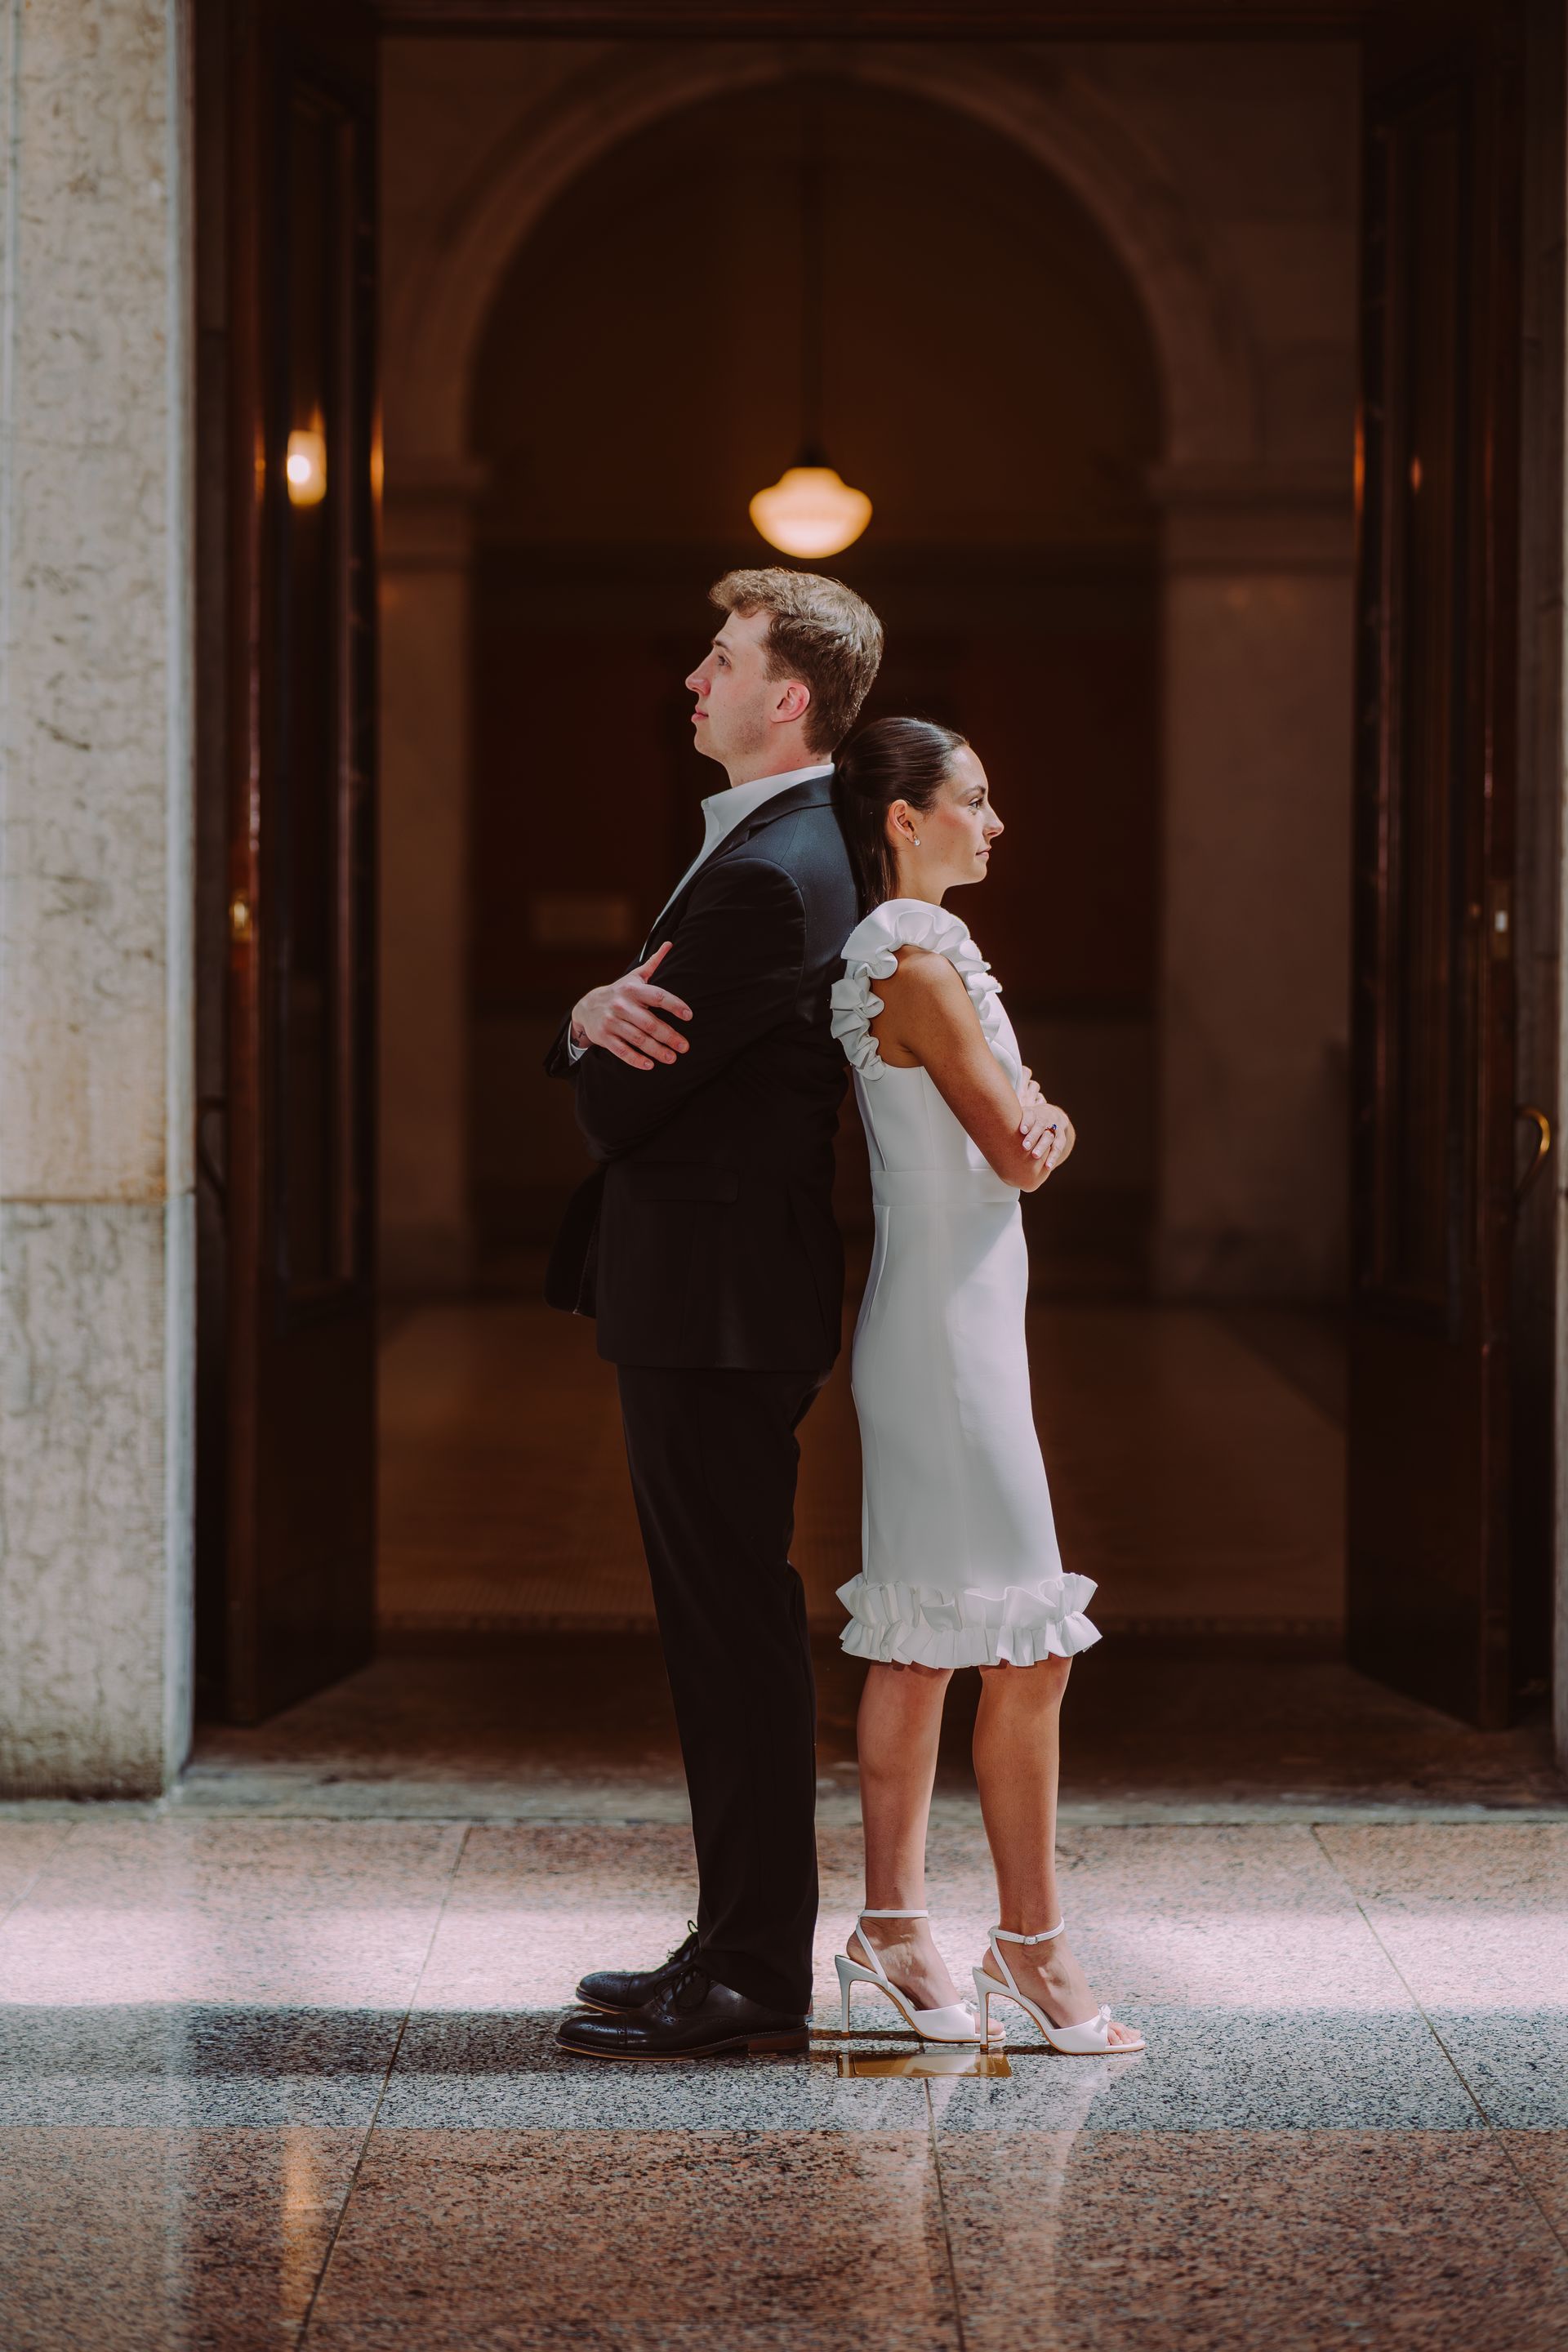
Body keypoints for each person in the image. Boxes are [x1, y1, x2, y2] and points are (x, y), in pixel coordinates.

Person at [548, 568, 883, 2060]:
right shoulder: (779, 845)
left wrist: (586, 1028)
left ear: (788, 694)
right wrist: (587, 1009)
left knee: (732, 1632)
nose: (696, 677)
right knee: (723, 1625)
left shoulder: (772, 866)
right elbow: (626, 1048)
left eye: (722, 655)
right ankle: (734, 1939)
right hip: (721, 1294)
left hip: (718, 1301)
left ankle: (753, 1971)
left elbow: (623, 1103)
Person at [828, 716, 1144, 2055]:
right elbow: (1020, 1149)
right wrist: (1041, 1124)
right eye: (975, 798)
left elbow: (1021, 1118)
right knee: (1022, 1645)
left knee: (925, 1638)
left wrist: (1038, 1119)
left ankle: (897, 1931)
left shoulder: (927, 961)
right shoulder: (909, 960)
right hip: (946, 1344)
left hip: (951, 1324)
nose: (995, 820)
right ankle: (1027, 1945)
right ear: (905, 818)